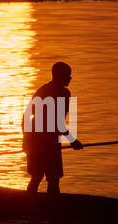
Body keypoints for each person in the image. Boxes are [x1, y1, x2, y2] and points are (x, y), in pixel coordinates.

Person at [22, 62, 83, 195]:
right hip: (44, 141)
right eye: (68, 75)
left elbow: (26, 116)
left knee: (38, 177)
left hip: (38, 139)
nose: (70, 78)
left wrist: (26, 139)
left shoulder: (42, 90)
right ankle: (51, 207)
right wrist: (73, 141)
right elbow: (58, 122)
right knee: (52, 178)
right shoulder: (64, 93)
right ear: (60, 76)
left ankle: (30, 204)